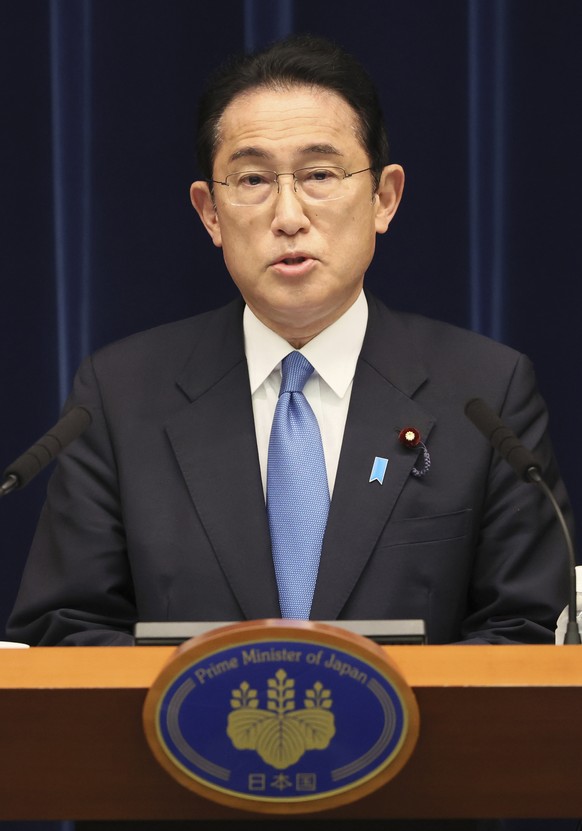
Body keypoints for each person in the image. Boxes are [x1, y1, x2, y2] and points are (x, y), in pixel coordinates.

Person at [6, 34, 571, 648]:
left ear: (385, 198)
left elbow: (529, 631)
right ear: (210, 214)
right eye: (251, 179)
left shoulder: (485, 393)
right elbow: (63, 631)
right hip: (180, 745)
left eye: (320, 174)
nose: (288, 214)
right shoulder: (119, 397)